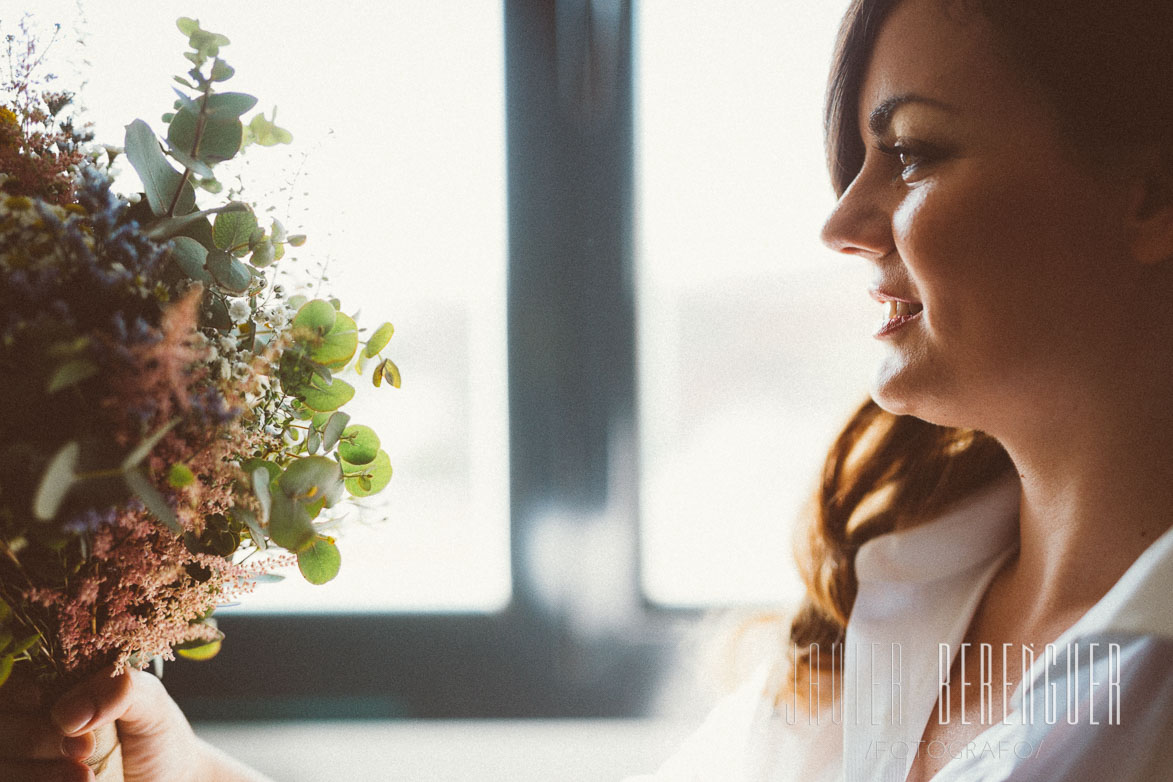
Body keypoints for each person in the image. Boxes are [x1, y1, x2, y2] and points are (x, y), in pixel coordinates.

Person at [6, 0, 1173, 779]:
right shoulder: (901, 592)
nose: (842, 220)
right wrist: (190, 770)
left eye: (914, 149)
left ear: (1148, 194)